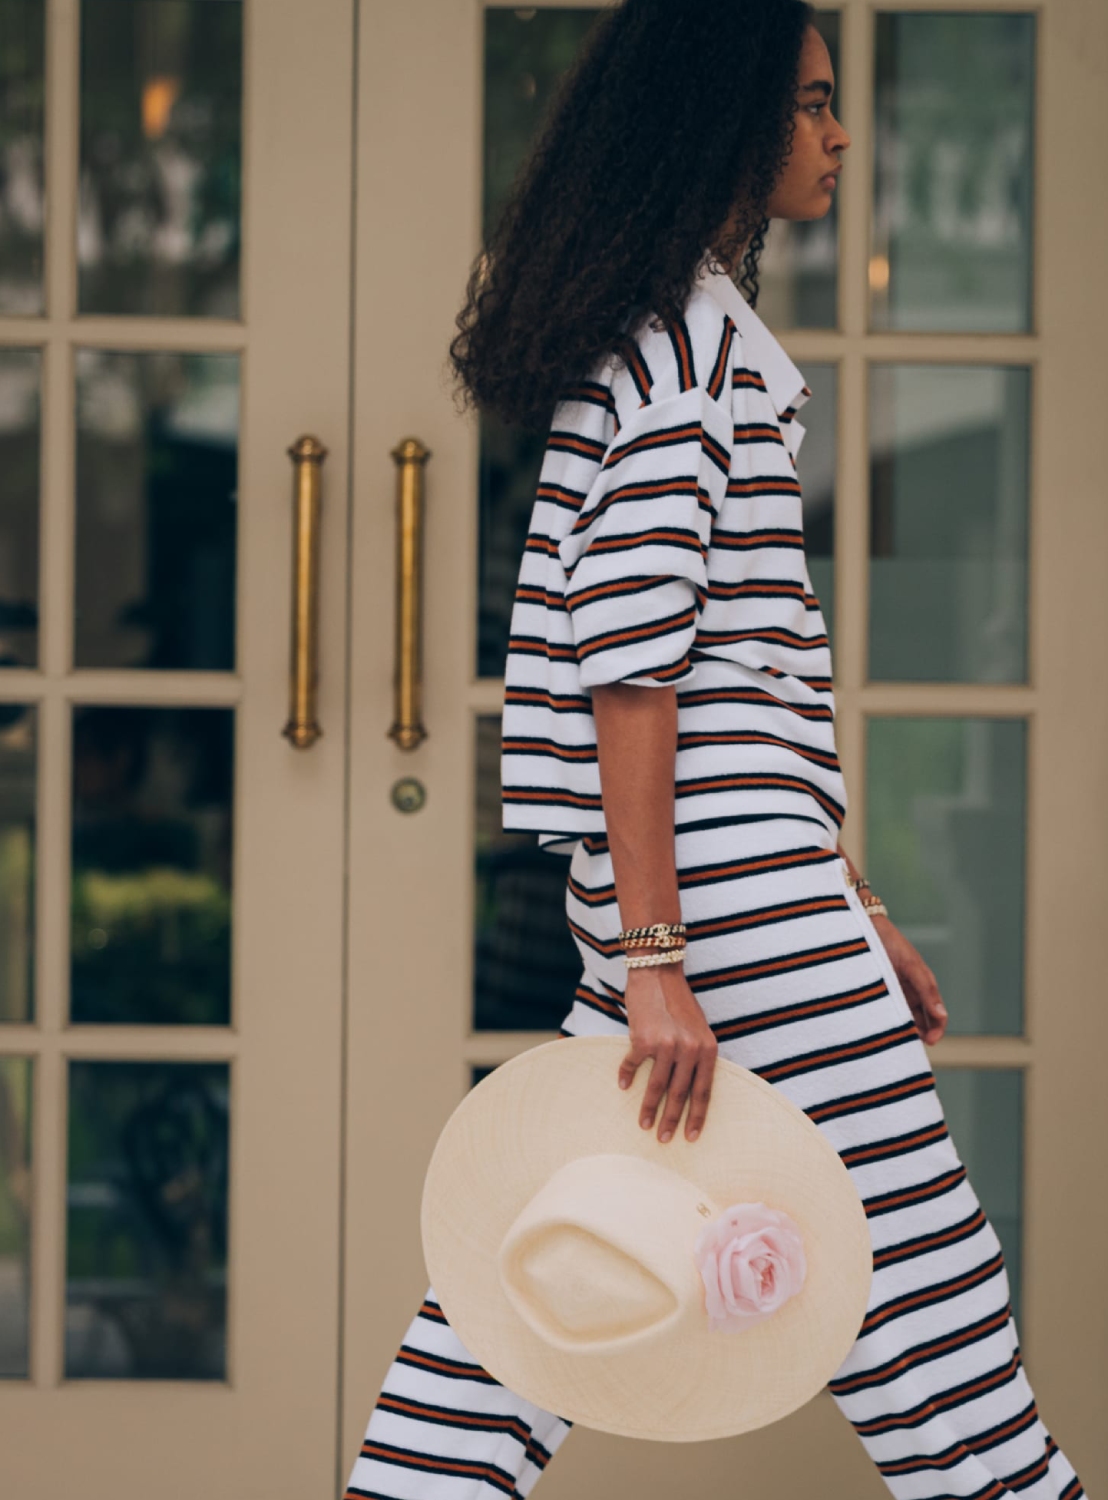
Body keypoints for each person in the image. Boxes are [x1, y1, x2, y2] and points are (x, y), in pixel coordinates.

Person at [345, 3, 1084, 1496]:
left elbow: (739, 688)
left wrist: (849, 902)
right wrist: (658, 954)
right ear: (723, 127)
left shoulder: (666, 336)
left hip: (733, 887)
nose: (839, 135)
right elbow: (634, 669)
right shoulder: (691, 354)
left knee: (551, 1252)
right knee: (931, 1309)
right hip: (723, 903)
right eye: (810, 104)